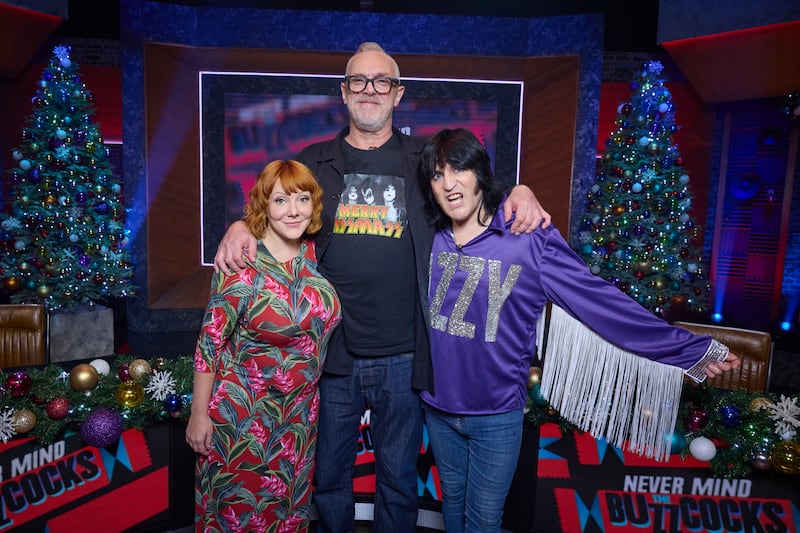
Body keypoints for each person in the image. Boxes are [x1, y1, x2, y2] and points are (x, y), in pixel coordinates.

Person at [213, 42, 551, 533]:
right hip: (332, 354)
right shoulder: (314, 160)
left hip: (405, 353)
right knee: (329, 477)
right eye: (358, 81)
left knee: (398, 479)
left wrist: (519, 188)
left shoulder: (424, 158)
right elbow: (278, 204)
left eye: (381, 82)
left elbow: (476, 191)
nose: (369, 90)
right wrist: (242, 224)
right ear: (344, 93)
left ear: (398, 95)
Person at [417, 128, 741, 533]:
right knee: (451, 511)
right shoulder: (428, 236)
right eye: (436, 174)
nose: (448, 184)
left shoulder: (527, 238)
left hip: (494, 414)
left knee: (483, 521)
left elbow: (600, 303)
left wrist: (688, 350)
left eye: (458, 169)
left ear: (480, 172)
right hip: (437, 405)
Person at [186, 160, 342, 532]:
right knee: (238, 516)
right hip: (243, 420)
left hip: (298, 420)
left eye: (302, 199)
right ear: (264, 206)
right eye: (281, 200)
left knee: (287, 516)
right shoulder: (241, 263)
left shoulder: (311, 254)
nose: (293, 211)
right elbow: (209, 344)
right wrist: (198, 415)